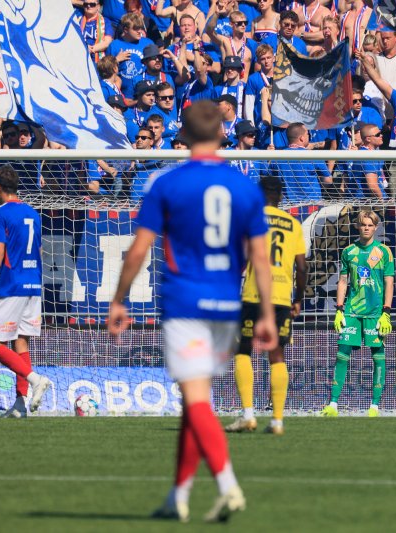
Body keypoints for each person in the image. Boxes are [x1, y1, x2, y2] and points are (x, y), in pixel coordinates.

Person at [108, 100, 277, 523]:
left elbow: (139, 250)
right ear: (223, 133)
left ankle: (228, 486)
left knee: (196, 399)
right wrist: (268, 315)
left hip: (186, 302)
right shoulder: (244, 187)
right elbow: (259, 257)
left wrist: (119, 298)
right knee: (193, 400)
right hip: (227, 304)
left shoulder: (167, 183)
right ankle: (178, 497)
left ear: (181, 136)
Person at [227, 174, 307, 435]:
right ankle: (277, 421)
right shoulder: (293, 224)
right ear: (281, 196)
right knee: (277, 354)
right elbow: (302, 266)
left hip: (253, 293)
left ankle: (248, 415)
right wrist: (298, 299)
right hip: (282, 295)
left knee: (243, 351)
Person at [0, 165, 51, 418]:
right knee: (21, 341)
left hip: (12, 285)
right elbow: (40, 251)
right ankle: (21, 405)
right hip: (34, 284)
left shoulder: (0, 213)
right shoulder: (33, 213)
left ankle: (34, 379)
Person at [321, 209, 394, 417]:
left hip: (375, 313)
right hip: (352, 311)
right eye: (363, 225)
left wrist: (386, 312)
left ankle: (374, 407)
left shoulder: (384, 252)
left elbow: (389, 284)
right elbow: (343, 281)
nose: (366, 228)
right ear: (358, 226)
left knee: (378, 357)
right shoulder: (349, 252)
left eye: (370, 225)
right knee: (341, 355)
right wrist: (339, 310)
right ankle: (333, 404)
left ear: (376, 227)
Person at [269, 123, 333, 201]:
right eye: (307, 134)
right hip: (312, 207)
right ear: (302, 138)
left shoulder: (277, 158)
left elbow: (269, 176)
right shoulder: (313, 156)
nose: (309, 135)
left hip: (287, 208)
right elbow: (328, 180)